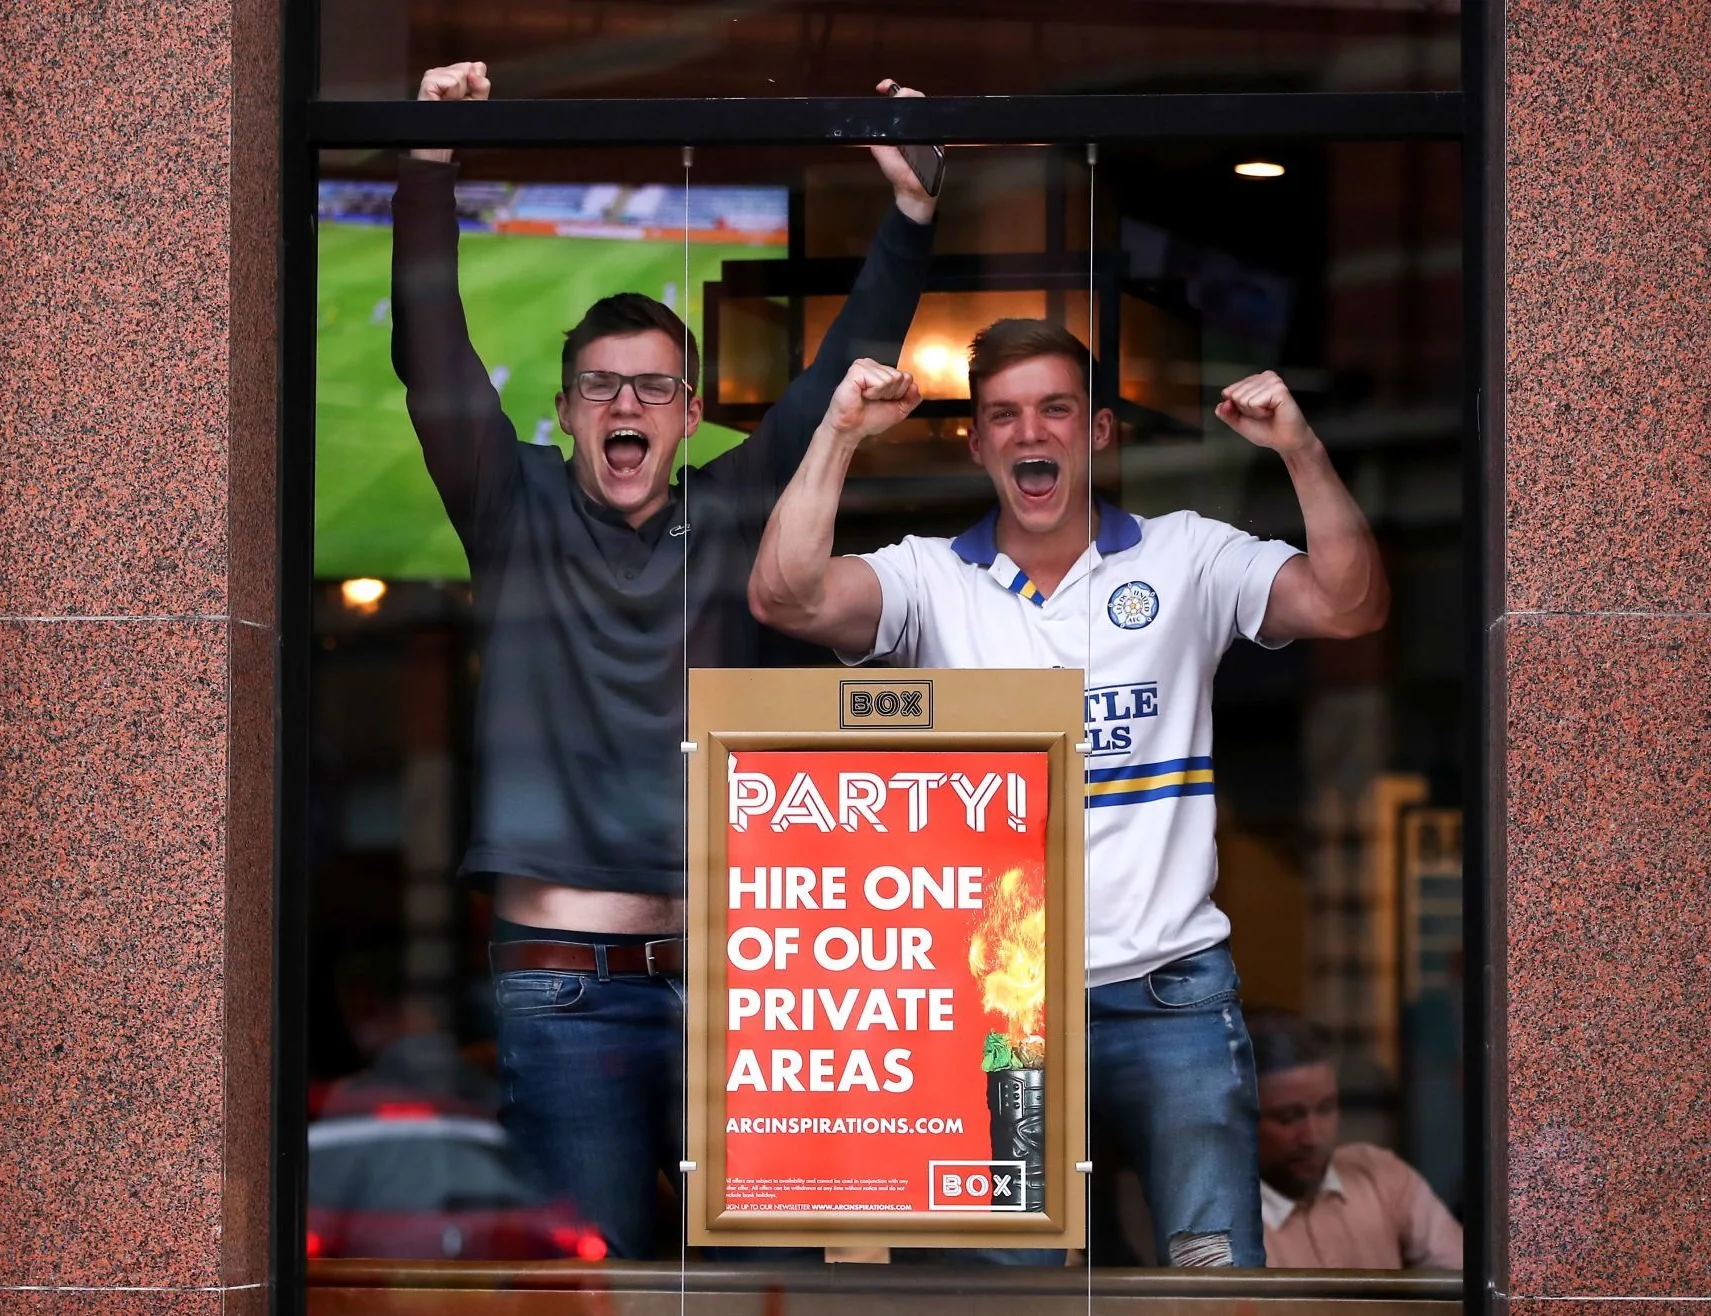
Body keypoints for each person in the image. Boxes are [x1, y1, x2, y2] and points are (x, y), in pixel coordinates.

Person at [392, 61, 939, 1258]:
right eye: (601, 387)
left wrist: (906, 219)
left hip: (737, 981)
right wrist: (424, 159)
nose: (624, 405)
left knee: (761, 1284)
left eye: (651, 387)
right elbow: (430, 354)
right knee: (598, 1287)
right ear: (564, 408)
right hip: (563, 986)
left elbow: (828, 383)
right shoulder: (511, 503)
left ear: (689, 414)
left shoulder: (736, 501)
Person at [747, 320, 1389, 1267]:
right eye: (1002, 416)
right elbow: (786, 595)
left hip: (1171, 990)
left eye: (1053, 409)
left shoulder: (1185, 556)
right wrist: (839, 432)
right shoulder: (930, 576)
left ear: (1096, 432)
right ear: (976, 445)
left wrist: (1299, 447)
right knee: (1009, 1292)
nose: (1027, 432)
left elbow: (1350, 601)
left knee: (1210, 1283)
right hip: (1000, 1011)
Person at [1249, 1012, 1463, 1270]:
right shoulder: (1219, 1223)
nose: (1313, 1137)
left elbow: (1465, 1279)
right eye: (1288, 1118)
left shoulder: (1380, 1175)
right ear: (1244, 1119)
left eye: (1326, 1108)